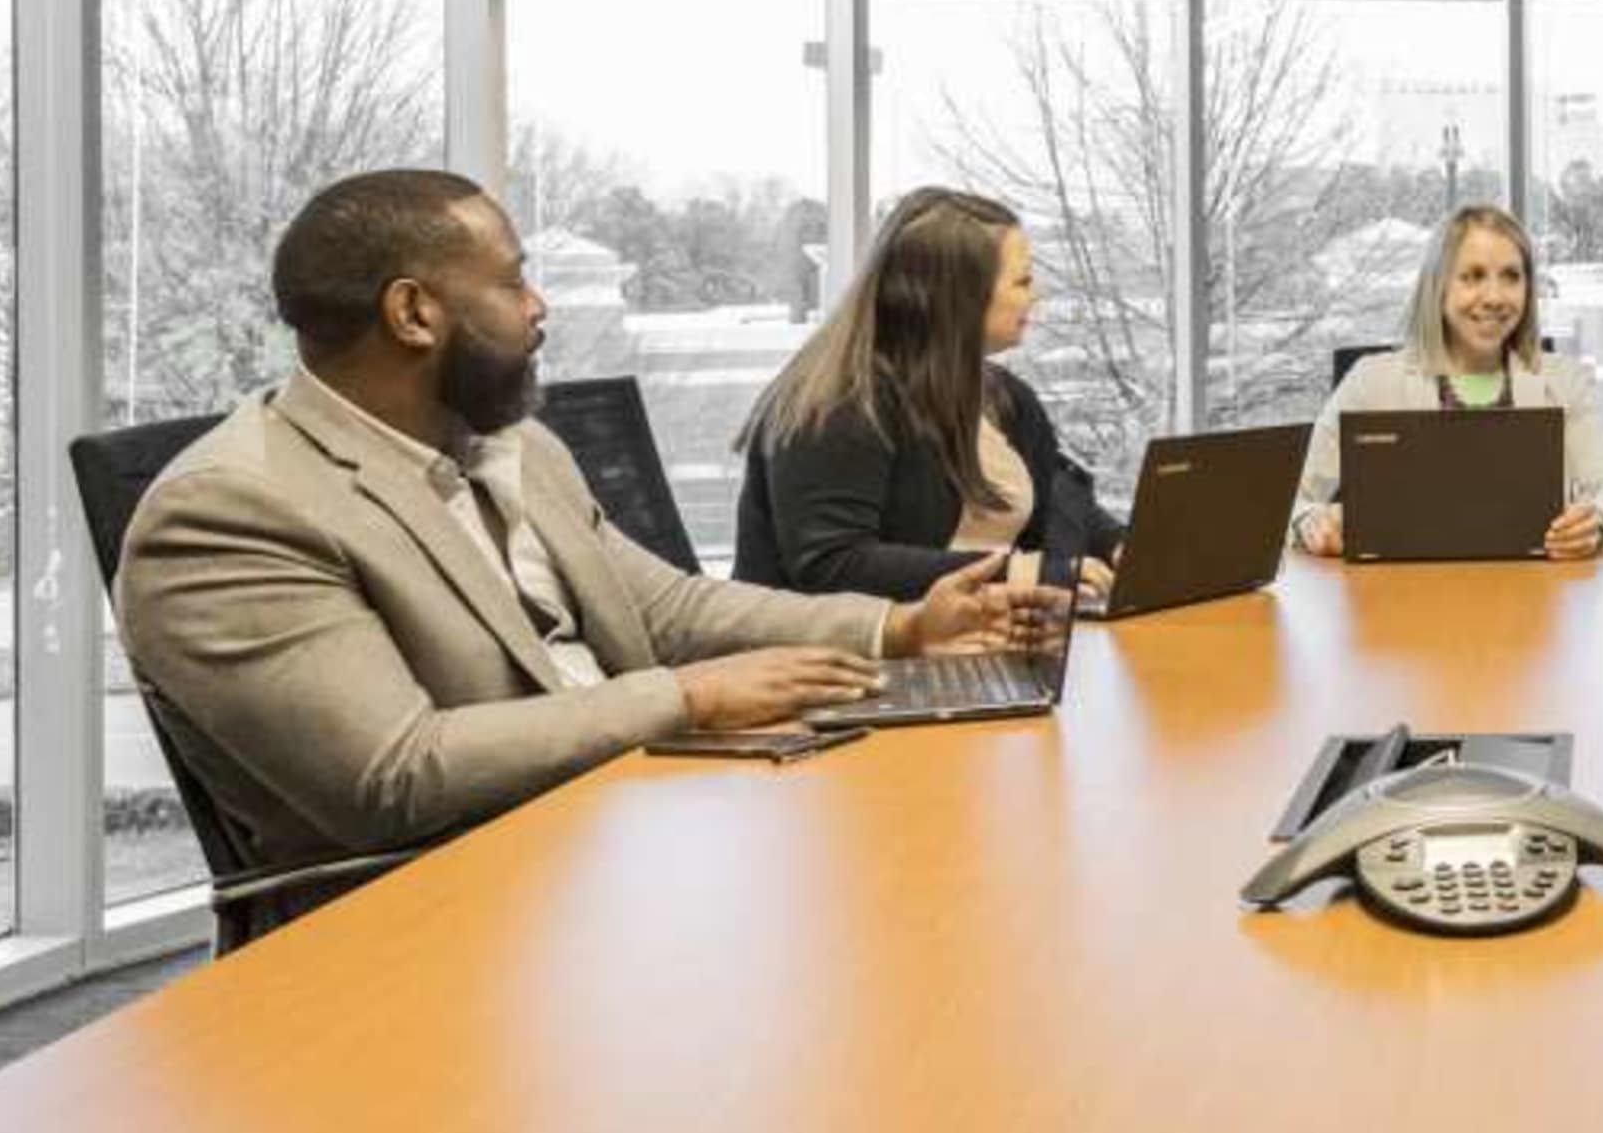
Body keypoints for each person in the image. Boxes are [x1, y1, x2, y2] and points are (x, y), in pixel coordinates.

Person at [118, 170, 1054, 888]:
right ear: (414, 313)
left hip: (620, 830)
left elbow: (668, 607)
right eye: (513, 281)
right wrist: (685, 700)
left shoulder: (515, 448)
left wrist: (897, 629)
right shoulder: (232, 511)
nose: (539, 308)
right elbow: (394, 776)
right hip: (447, 901)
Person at [733, 186, 1127, 604]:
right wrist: (1020, 575)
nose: (1035, 295)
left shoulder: (1003, 396)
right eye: (1022, 281)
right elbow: (834, 565)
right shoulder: (838, 404)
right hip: (839, 659)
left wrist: (1118, 546)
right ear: (959, 296)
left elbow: (1056, 499)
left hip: (966, 647)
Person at [1292, 202, 1603, 560]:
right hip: (1402, 600)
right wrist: (1310, 521)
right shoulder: (1370, 381)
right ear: (1439, 286)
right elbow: (1291, 498)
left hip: (1529, 600)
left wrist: (1598, 523)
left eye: (1511, 276)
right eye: (1473, 276)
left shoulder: (1563, 380)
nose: (1494, 297)